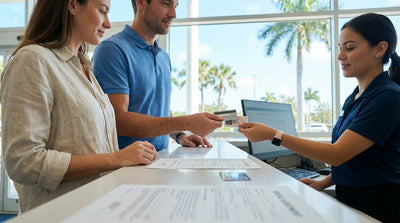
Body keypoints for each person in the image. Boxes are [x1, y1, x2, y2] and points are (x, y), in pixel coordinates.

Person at [239, 13, 400, 222]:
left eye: (349, 48)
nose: (341, 55)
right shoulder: (356, 96)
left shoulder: (388, 97)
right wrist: (322, 183)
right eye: (340, 48)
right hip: (353, 199)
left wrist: (273, 135)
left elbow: (337, 154)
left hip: (378, 205)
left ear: (379, 49)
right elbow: (358, 157)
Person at [0, 0, 158, 213]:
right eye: (102, 11)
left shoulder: (85, 68)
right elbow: (23, 162)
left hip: (98, 210)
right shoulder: (32, 60)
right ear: (72, 5)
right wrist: (116, 158)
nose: (108, 24)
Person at [92, 0, 223, 151]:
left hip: (162, 160)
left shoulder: (163, 57)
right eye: (166, 4)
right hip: (127, 168)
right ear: (140, 3)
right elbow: (117, 121)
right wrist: (185, 122)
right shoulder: (112, 50)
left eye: (175, 6)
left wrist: (180, 135)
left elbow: (160, 108)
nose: (173, 14)